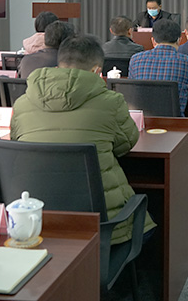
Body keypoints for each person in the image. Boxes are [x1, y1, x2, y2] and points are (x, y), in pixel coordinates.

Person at [10, 35, 156, 244]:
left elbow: (16, 142)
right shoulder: (111, 102)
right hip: (99, 224)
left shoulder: (22, 102)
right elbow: (126, 144)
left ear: (59, 65)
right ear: (97, 71)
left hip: (36, 218)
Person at [129, 19, 188, 116]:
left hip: (143, 122)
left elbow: (131, 94)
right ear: (179, 40)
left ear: (153, 41)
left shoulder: (135, 60)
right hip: (175, 124)